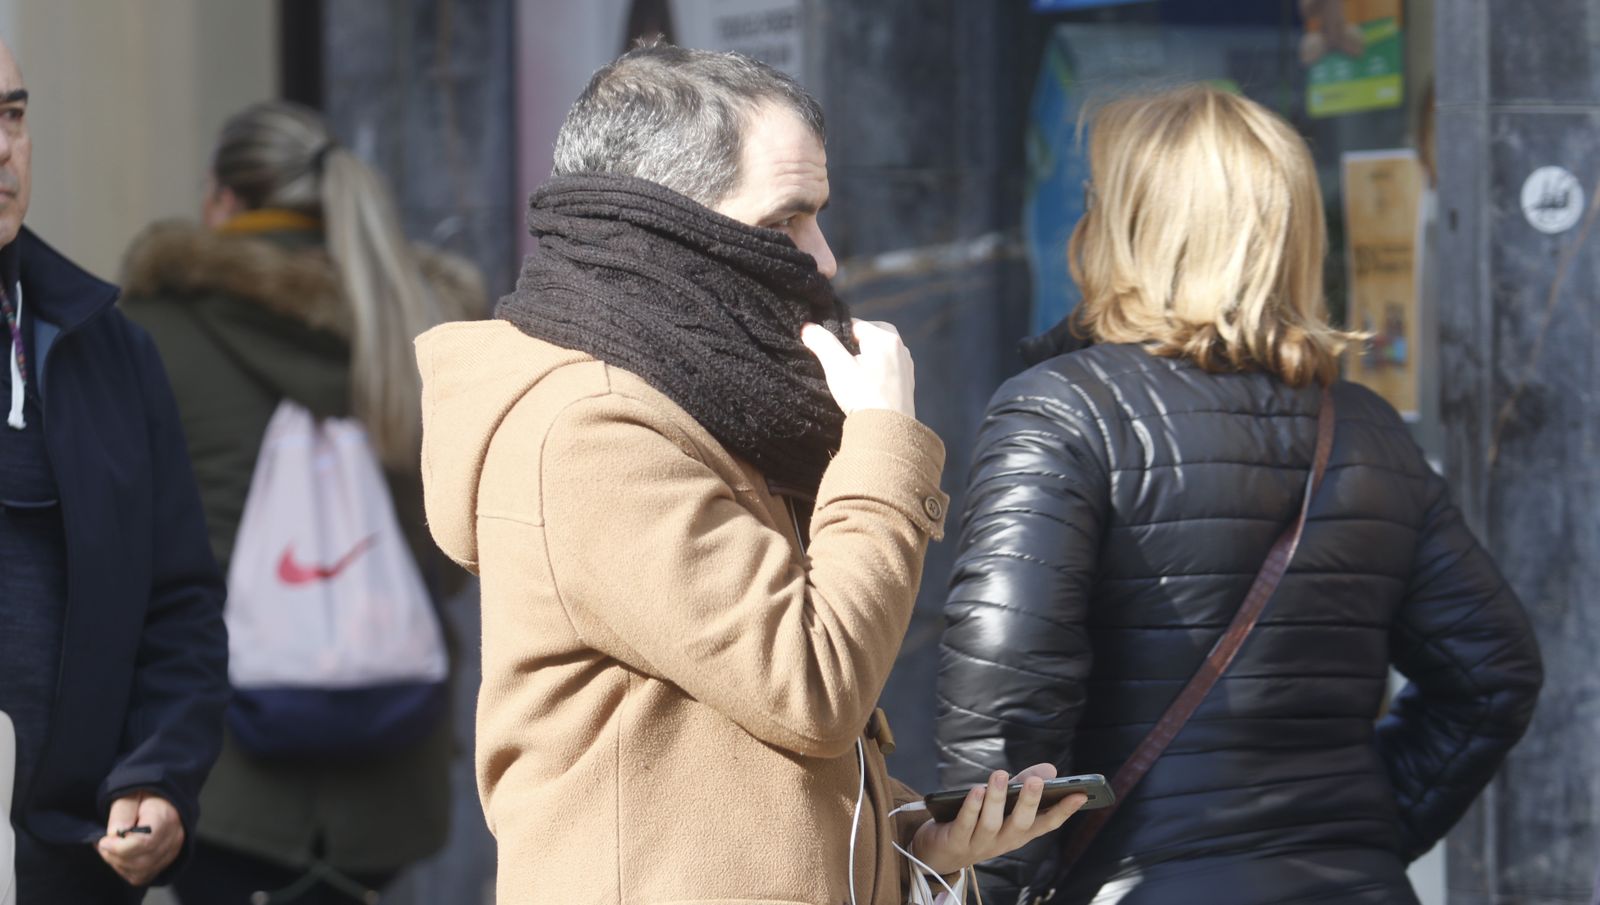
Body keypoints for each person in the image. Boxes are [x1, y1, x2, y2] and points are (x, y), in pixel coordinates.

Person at [417, 41, 1086, 904]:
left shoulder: (705, 403)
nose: (824, 259)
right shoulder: (590, 431)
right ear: (662, 227)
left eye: (819, 217)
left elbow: (734, 755)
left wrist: (914, 831)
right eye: (784, 223)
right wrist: (882, 437)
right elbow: (810, 684)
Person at [937, 84, 1544, 905]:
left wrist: (996, 893)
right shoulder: (1365, 428)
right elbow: (1493, 674)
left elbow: (1004, 707)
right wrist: (1359, 838)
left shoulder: (1061, 409)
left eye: (1095, 197)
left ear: (1127, 224)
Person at [119, 101, 484, 904]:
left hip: (218, 782)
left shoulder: (149, 336)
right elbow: (457, 560)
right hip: (389, 779)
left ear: (221, 201)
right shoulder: (427, 330)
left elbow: (114, 565)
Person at [0, 35, 230, 903]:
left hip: (71, 870)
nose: (3, 150)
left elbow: (178, 606)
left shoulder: (109, 349)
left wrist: (159, 775)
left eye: (13, 116)